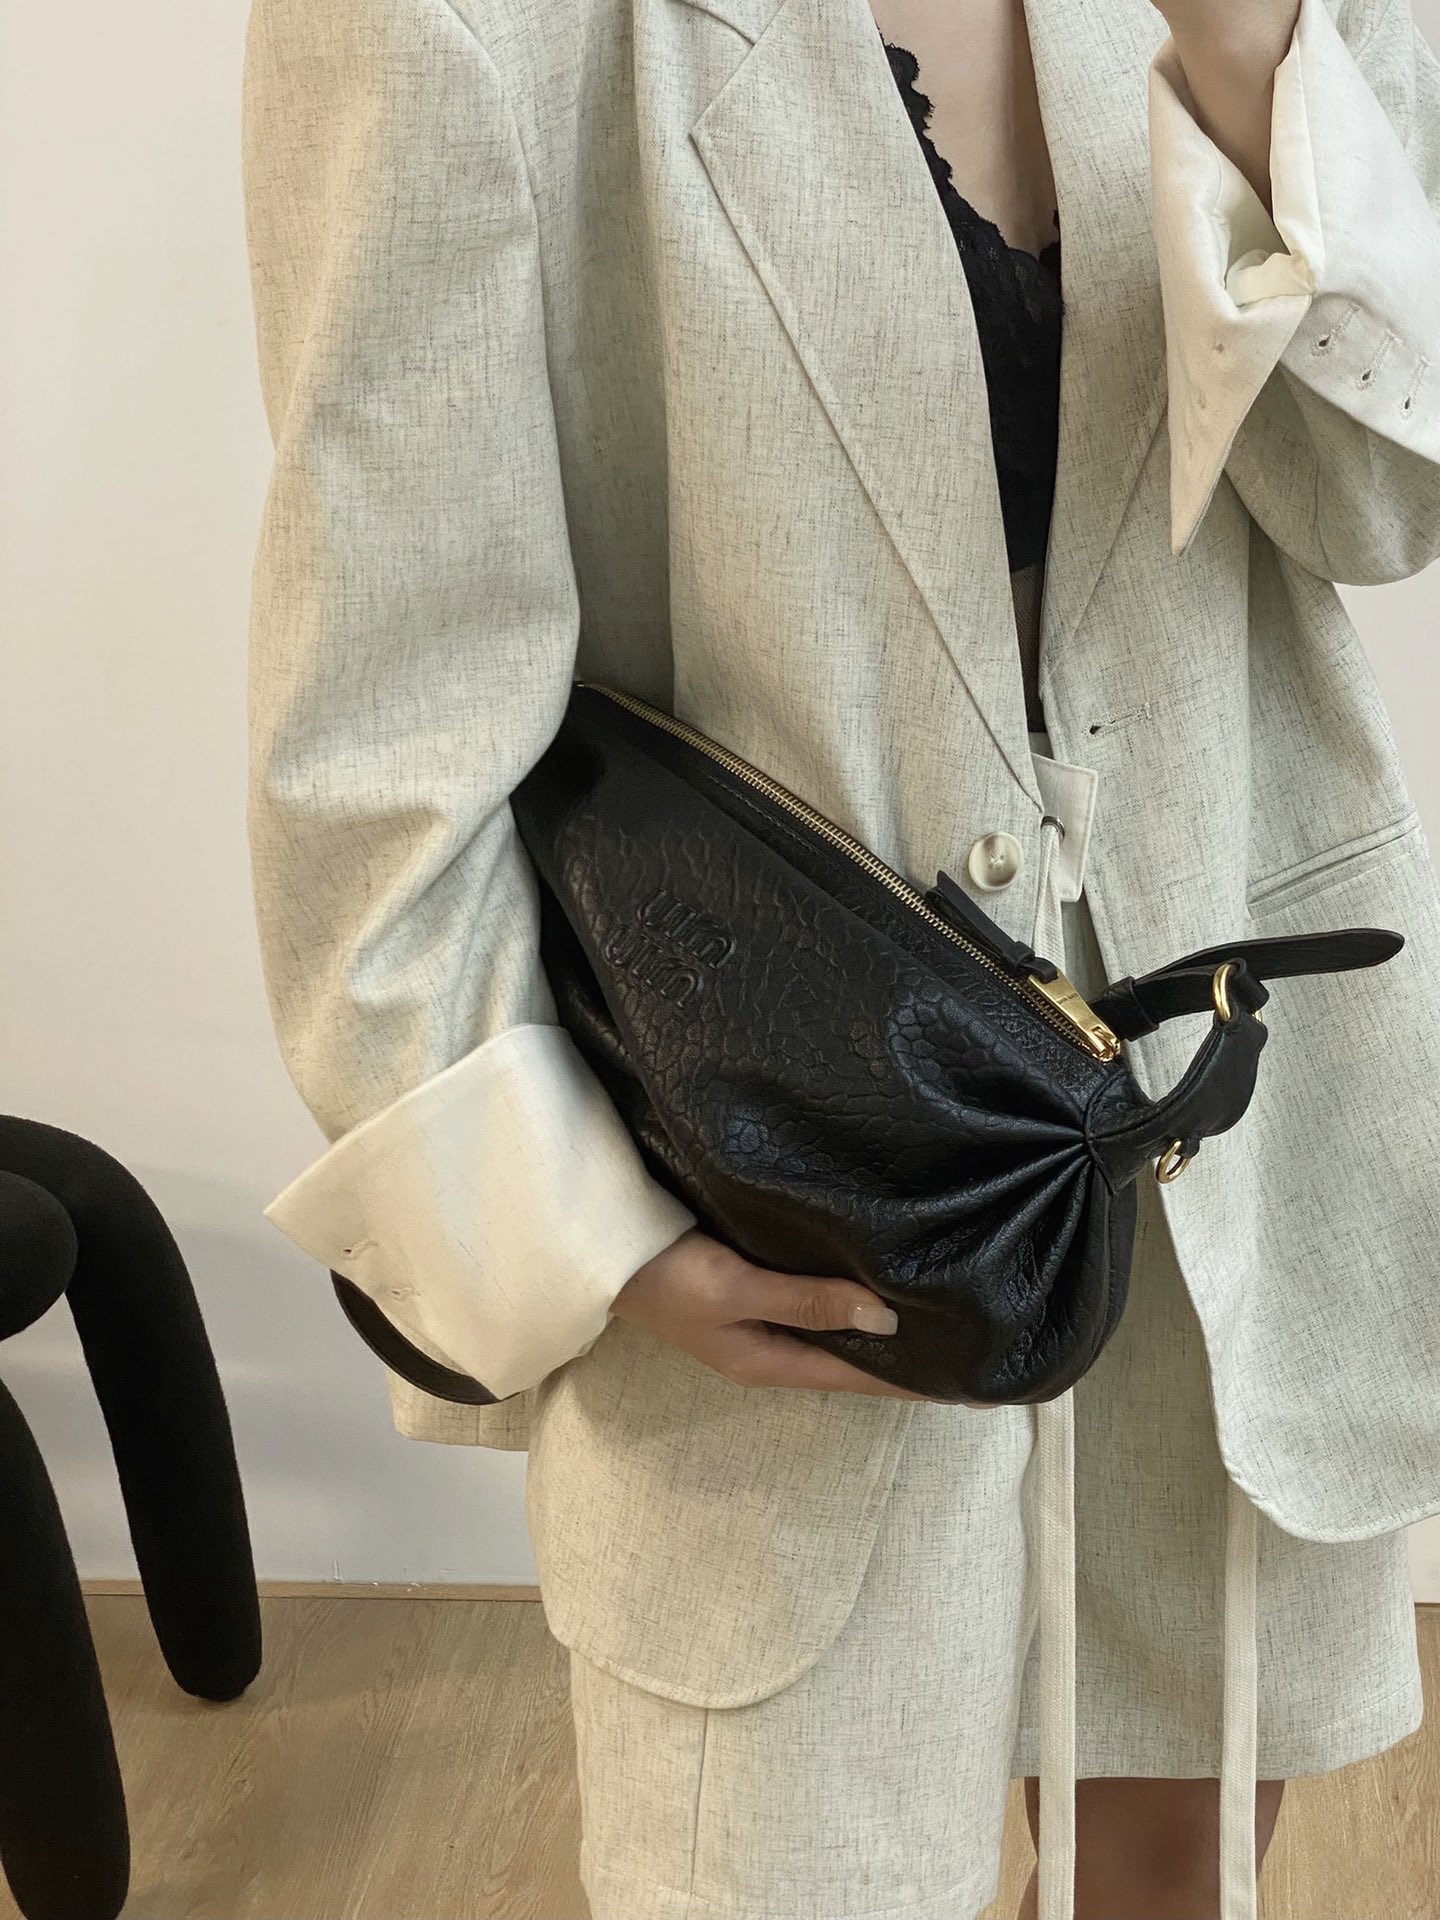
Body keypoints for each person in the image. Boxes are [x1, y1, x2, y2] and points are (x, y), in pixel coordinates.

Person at [239, 0, 1440, 1913]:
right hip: (790, 1175)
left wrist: (1250, 52)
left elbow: (1379, 499)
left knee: (1178, 1865)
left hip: (1224, 1132)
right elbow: (386, 717)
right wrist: (585, 1235)